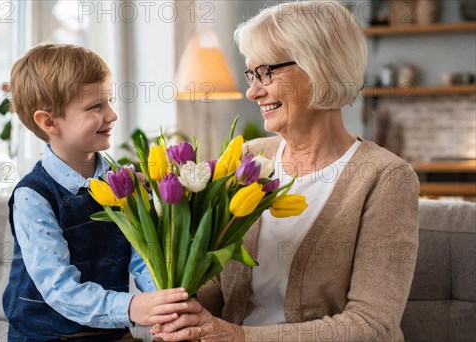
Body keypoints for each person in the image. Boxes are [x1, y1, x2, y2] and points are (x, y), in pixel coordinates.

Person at [154, 1, 419, 341]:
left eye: (266, 72)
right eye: (251, 74)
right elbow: (216, 283)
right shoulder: (245, 159)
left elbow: (372, 326)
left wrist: (240, 337)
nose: (252, 91)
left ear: (319, 66)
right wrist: (183, 308)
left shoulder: (385, 177)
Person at [2, 44, 189, 341]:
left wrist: (163, 300)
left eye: (109, 101)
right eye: (95, 107)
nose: (112, 114)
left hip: (108, 332)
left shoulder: (122, 180)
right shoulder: (33, 196)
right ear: (49, 122)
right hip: (45, 335)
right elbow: (59, 288)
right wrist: (131, 306)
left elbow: (142, 253)